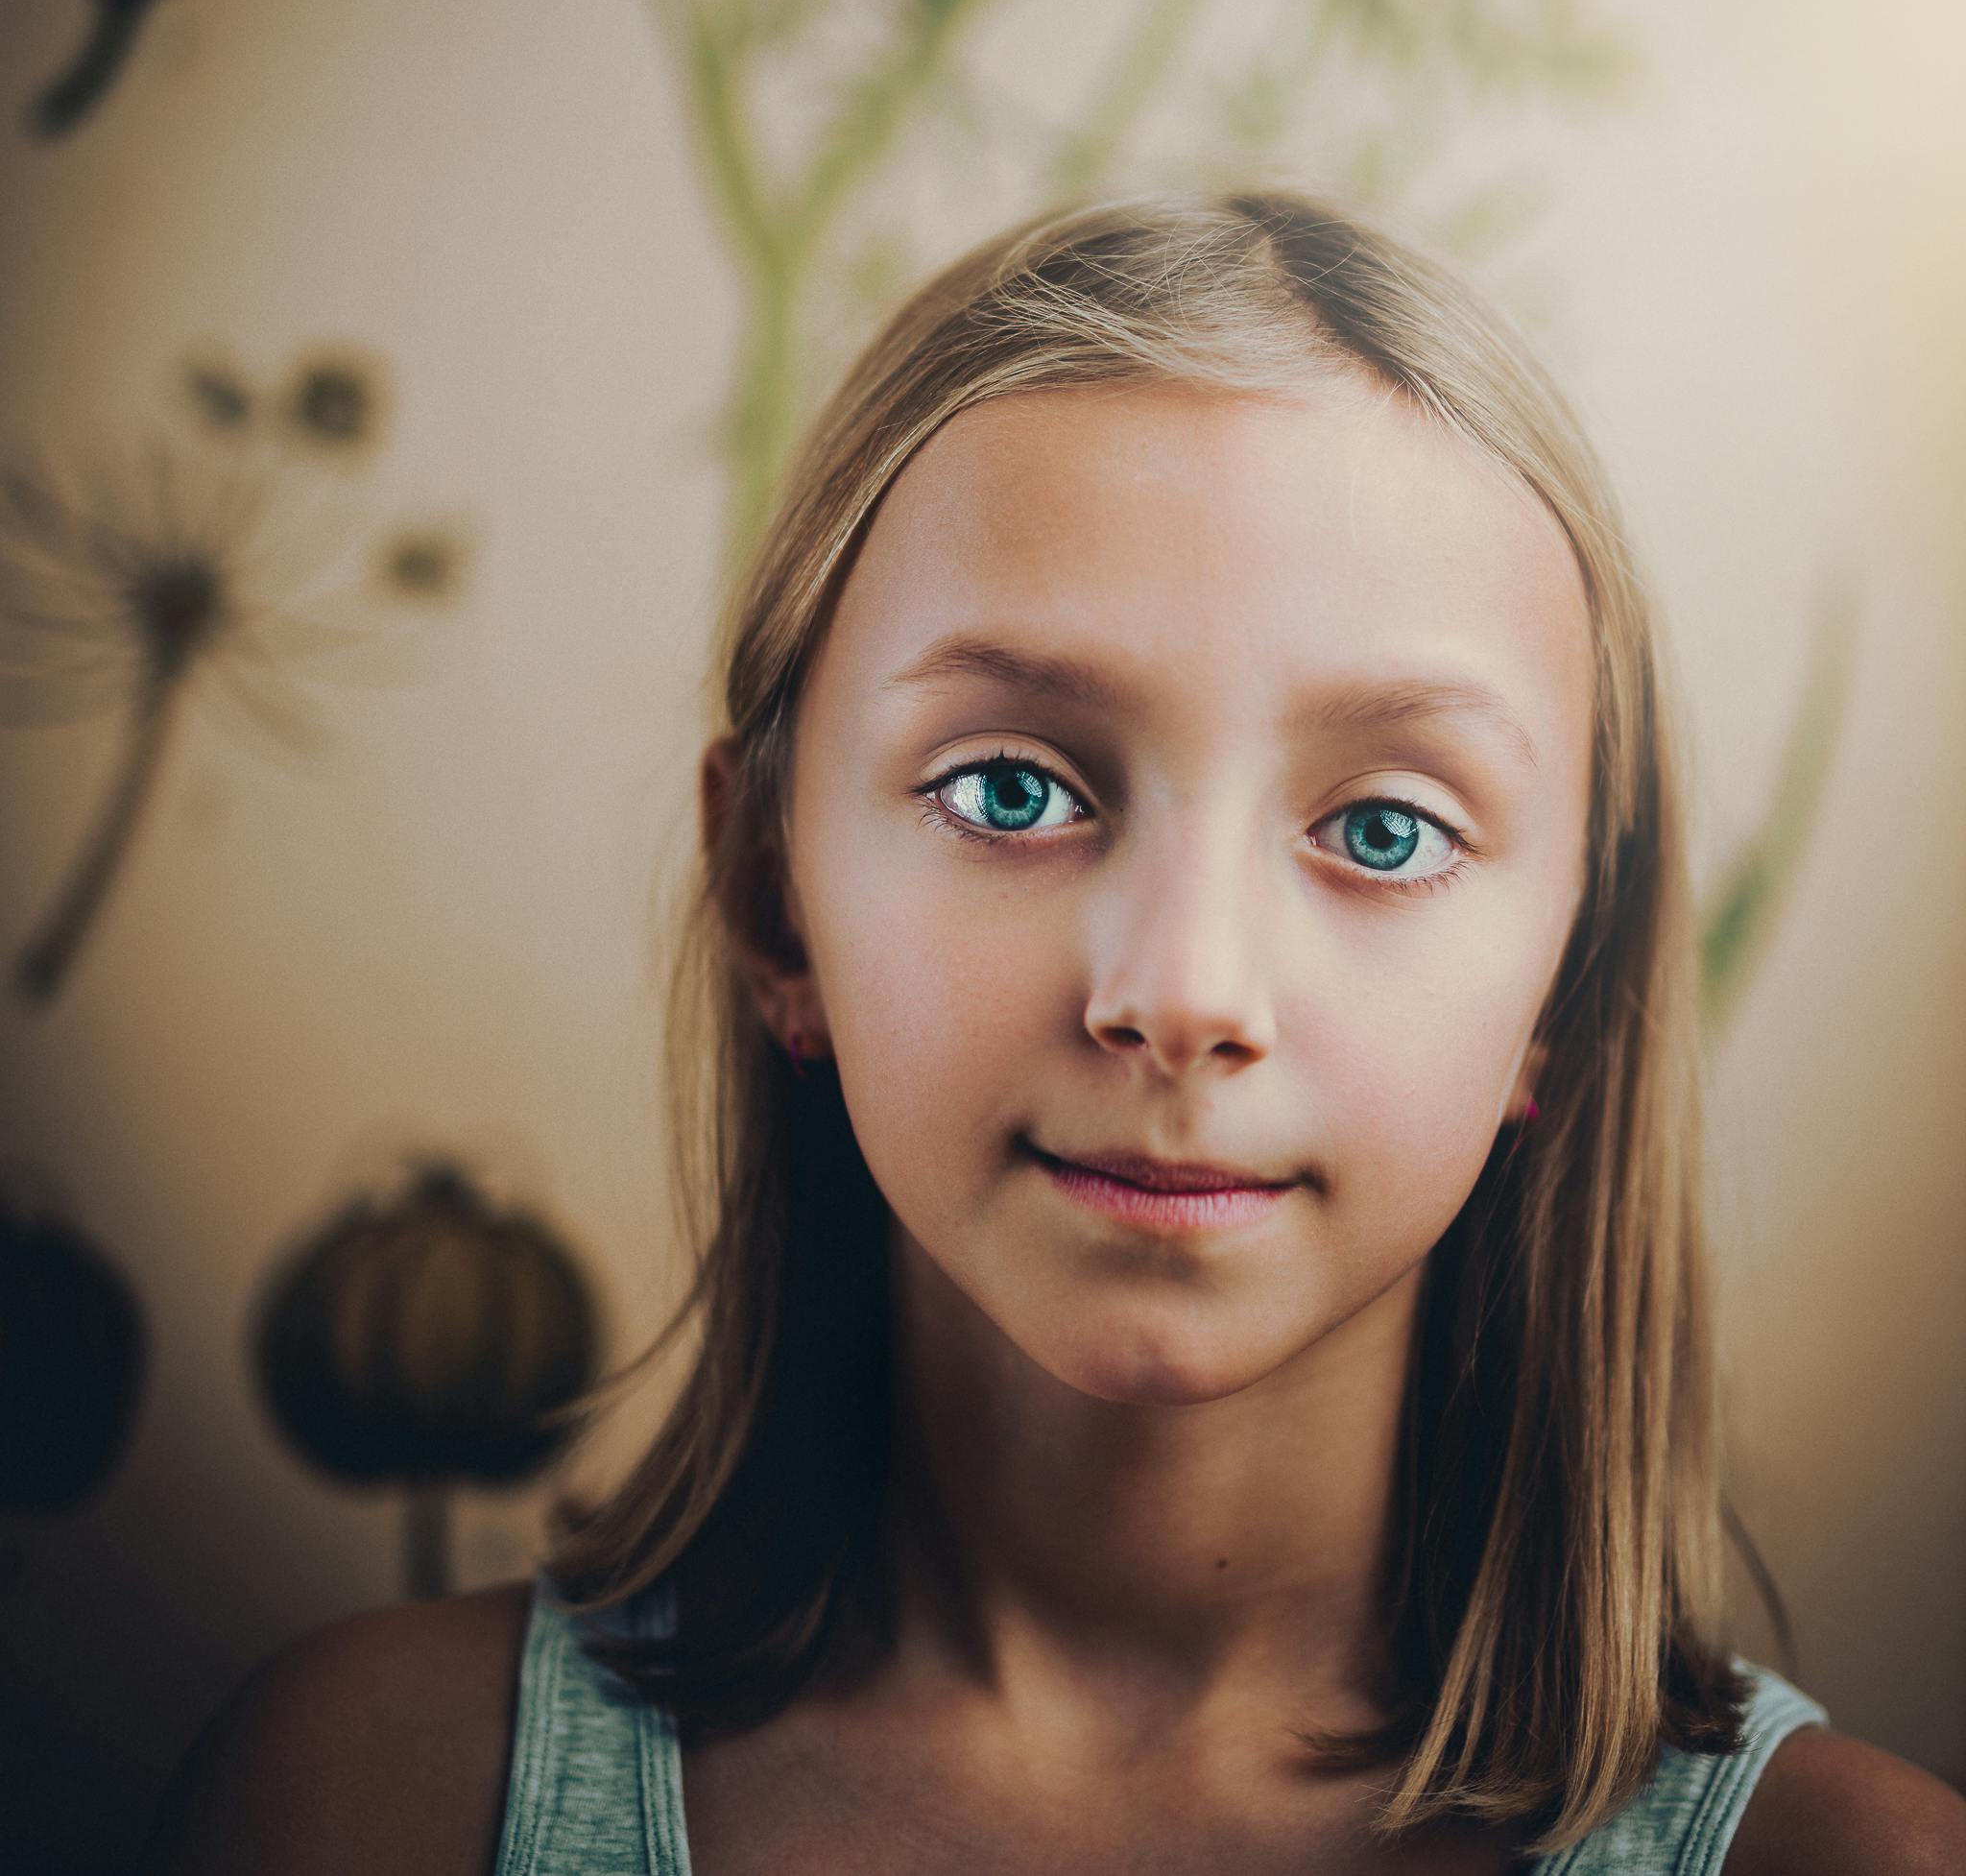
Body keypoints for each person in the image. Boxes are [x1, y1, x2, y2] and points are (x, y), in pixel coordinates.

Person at [139, 192, 1966, 1875]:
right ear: (776, 901)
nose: (1181, 990)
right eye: (1012, 788)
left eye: (1384, 828)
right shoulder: (357, 1804)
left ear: (1560, 992)